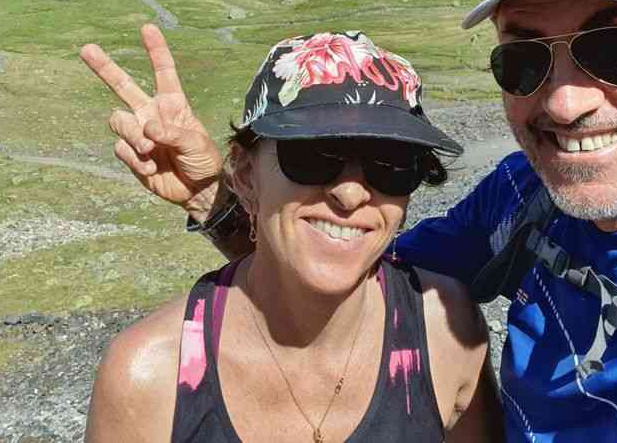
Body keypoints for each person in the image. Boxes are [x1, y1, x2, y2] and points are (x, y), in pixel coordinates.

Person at [86, 0, 617, 441]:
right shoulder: (523, 198)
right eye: (524, 60)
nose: (565, 102)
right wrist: (224, 195)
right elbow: (344, 279)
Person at [82, 31, 504, 442]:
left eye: (391, 164)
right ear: (245, 172)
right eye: (313, 155)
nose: (350, 193)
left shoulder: (446, 332)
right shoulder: (149, 375)